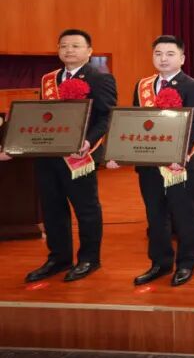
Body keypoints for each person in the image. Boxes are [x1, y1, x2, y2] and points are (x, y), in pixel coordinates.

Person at [5, 29, 117, 283]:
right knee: (52, 208)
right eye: (64, 46)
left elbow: (106, 116)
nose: (69, 50)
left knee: (86, 209)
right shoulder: (49, 79)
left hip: (80, 156)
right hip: (48, 154)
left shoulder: (100, 79)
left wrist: (88, 142)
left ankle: (89, 259)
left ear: (89, 51)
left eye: (76, 46)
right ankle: (58, 258)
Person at [109, 35, 194, 287]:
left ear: (182, 58)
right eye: (158, 53)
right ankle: (160, 263)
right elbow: (135, 122)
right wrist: (121, 153)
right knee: (155, 215)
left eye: (170, 54)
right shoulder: (143, 86)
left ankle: (186, 263)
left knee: (183, 214)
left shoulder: (193, 86)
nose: (163, 58)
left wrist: (179, 156)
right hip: (149, 164)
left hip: (179, 165)